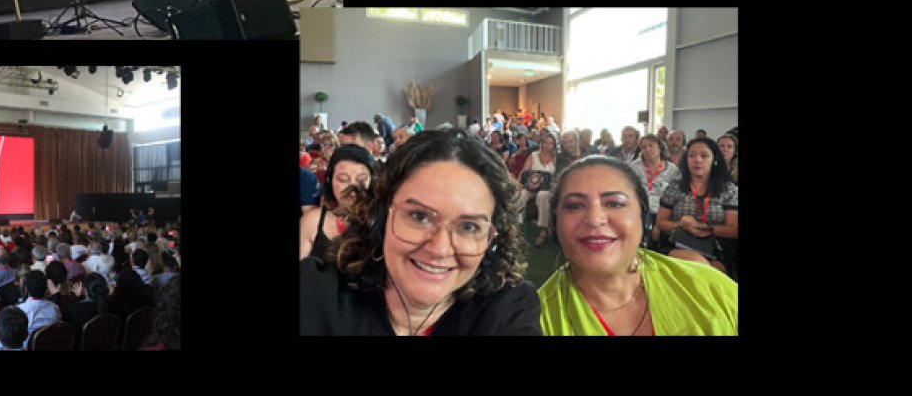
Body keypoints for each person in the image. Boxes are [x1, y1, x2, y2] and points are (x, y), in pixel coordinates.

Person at [300, 129, 540, 335]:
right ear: (380, 218)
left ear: (491, 242)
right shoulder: (316, 293)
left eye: (468, 227)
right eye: (419, 216)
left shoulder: (507, 310)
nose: (440, 249)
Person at [538, 156, 738, 335]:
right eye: (574, 206)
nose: (594, 219)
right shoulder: (534, 320)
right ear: (556, 223)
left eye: (615, 203)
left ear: (643, 218)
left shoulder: (710, 287)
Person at [655, 137, 738, 275]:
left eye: (704, 156)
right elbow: (661, 222)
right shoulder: (675, 187)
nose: (697, 160)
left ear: (714, 160)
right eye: (691, 155)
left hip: (717, 247)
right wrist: (681, 225)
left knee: (712, 267)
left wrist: (707, 229)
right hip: (679, 244)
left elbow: (734, 229)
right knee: (697, 262)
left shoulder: (728, 189)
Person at [301, 143, 377, 260]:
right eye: (343, 179)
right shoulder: (312, 222)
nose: (352, 188)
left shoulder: (383, 221)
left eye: (361, 179)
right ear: (330, 181)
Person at [629, 134, 679, 241]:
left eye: (650, 145)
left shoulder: (672, 169)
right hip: (639, 212)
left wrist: (659, 225)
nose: (647, 149)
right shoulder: (634, 167)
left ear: (660, 147)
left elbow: (675, 199)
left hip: (662, 213)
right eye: (643, 147)